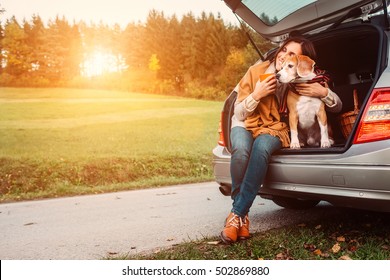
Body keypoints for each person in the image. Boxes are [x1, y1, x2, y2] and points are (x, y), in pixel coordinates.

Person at [221, 36, 342, 244]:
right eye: (284, 49)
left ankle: (236, 216)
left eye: (292, 54)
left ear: (301, 61)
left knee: (261, 149)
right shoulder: (255, 72)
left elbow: (337, 107)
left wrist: (323, 92)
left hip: (275, 129)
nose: (284, 56)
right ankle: (241, 215)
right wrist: (257, 95)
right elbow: (239, 114)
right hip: (245, 123)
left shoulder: (299, 79)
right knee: (241, 150)